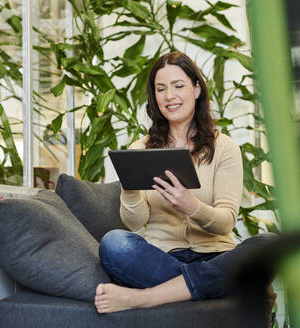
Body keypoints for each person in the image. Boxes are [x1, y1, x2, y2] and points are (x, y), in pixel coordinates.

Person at [94, 51, 276, 314]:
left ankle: (147, 297)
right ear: (154, 96)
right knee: (114, 243)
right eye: (161, 89)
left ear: (196, 89)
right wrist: (130, 190)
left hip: (217, 255)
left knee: (268, 244)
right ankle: (215, 285)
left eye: (178, 86)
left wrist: (191, 206)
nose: (170, 96)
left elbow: (226, 221)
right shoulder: (140, 149)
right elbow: (134, 223)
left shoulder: (224, 148)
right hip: (163, 258)